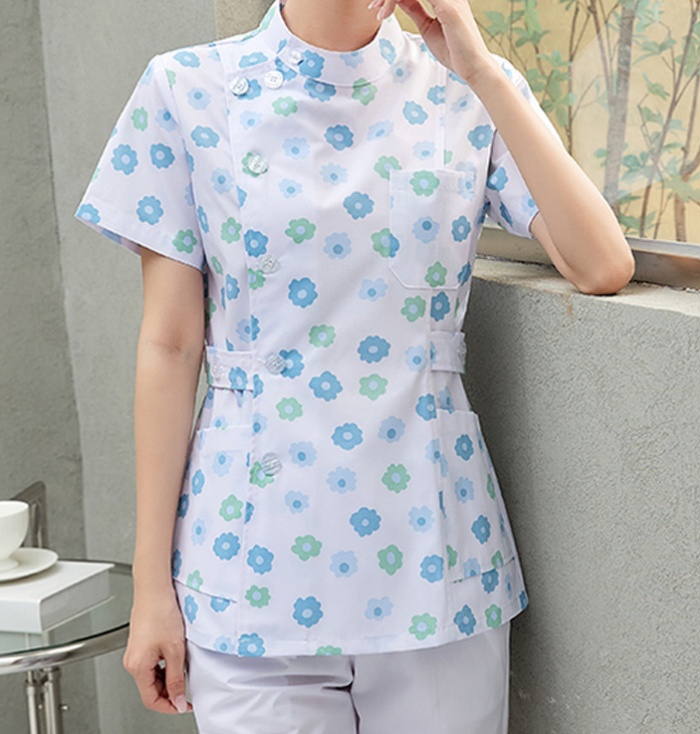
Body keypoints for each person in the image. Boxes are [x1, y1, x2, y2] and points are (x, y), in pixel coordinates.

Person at [74, 0, 635, 731]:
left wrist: (482, 72)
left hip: (433, 560)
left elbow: (601, 263)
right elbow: (170, 347)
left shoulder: (464, 85)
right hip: (250, 568)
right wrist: (152, 587)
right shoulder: (186, 88)